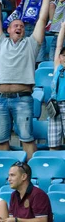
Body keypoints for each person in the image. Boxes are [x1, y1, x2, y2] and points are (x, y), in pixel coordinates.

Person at [0, 0, 51, 161]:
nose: (19, 27)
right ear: (8, 29)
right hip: (0, 99)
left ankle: (32, 174)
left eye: (22, 26)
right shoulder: (1, 42)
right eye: (15, 25)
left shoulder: (31, 44)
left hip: (23, 99)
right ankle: (5, 178)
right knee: (1, 140)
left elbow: (41, 19)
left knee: (27, 138)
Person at [50, 22, 65, 150]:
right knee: (53, 142)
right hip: (54, 106)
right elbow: (58, 46)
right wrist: (63, 28)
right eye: (63, 55)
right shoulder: (58, 67)